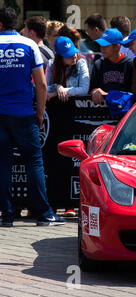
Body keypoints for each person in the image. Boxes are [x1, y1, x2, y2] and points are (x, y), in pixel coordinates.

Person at [0, 6, 65, 227]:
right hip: (23, 114)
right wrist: (39, 111)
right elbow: (42, 83)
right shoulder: (28, 45)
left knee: (3, 164)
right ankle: (44, 214)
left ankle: (6, 216)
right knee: (34, 163)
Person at [90, 28, 133, 105]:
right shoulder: (98, 64)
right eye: (101, 45)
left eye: (105, 46)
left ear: (117, 47)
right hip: (103, 111)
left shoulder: (129, 64)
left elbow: (132, 93)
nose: (102, 49)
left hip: (124, 111)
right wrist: (95, 92)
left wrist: (107, 94)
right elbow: (92, 88)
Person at [47, 36, 90, 102]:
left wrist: (62, 91)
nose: (74, 56)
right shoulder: (51, 64)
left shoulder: (81, 63)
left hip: (76, 107)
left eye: (74, 51)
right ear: (60, 57)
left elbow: (84, 89)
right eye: (69, 54)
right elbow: (45, 88)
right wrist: (57, 87)